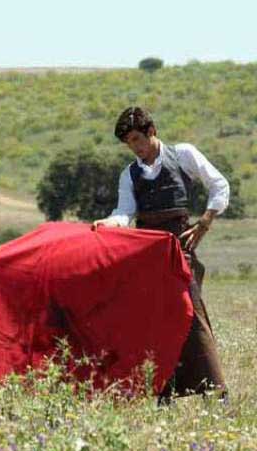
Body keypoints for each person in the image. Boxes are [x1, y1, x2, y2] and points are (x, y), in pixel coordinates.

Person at [93, 106, 229, 402]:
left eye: (138, 139)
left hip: (182, 253)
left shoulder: (183, 155)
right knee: (152, 324)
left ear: (152, 131)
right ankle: (162, 396)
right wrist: (108, 223)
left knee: (192, 317)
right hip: (147, 258)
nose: (136, 148)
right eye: (129, 143)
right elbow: (124, 213)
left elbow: (219, 185)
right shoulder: (128, 175)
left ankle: (217, 393)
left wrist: (204, 222)